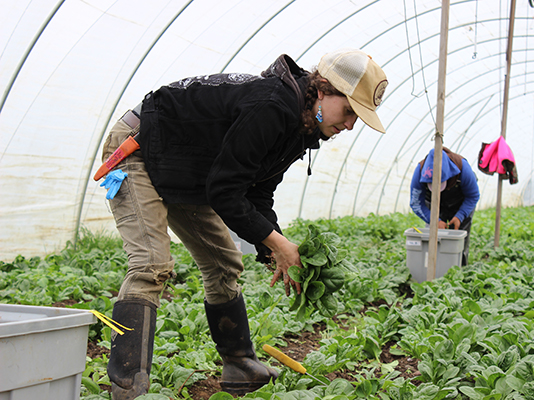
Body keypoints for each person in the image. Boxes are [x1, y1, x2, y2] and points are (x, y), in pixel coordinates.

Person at [99, 48, 388, 399]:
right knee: (151, 264)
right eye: (349, 111)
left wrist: (275, 246)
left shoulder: (304, 126)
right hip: (139, 148)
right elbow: (224, 193)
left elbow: (257, 193)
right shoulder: (272, 106)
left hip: (184, 166)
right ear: (324, 90)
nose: (350, 124)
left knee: (224, 263)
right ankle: (128, 386)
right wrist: (279, 244)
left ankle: (239, 365)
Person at [409, 147, 480, 266]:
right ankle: (433, 267)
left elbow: (473, 196)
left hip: (460, 202)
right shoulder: (420, 170)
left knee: (460, 238)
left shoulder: (463, 168)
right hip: (433, 202)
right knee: (433, 236)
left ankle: (459, 268)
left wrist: (460, 216)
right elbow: (416, 202)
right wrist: (434, 221)